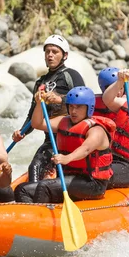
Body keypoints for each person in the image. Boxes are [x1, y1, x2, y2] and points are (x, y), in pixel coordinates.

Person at [15, 86, 115, 203]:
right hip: (69, 178)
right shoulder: (63, 121)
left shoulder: (96, 130)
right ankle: (31, 216)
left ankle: (42, 218)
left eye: (78, 107)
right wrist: (38, 104)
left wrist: (67, 158)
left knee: (44, 186)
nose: (73, 111)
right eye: (71, 106)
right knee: (22, 189)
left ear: (89, 108)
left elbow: (85, 149)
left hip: (92, 183)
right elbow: (37, 124)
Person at [11, 34, 85, 183]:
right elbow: (33, 113)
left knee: (61, 170)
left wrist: (61, 99)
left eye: (55, 52)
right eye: (47, 52)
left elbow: (86, 100)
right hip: (50, 139)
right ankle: (33, 199)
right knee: (35, 168)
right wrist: (22, 132)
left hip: (72, 136)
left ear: (64, 55)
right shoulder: (40, 82)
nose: (50, 55)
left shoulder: (71, 75)